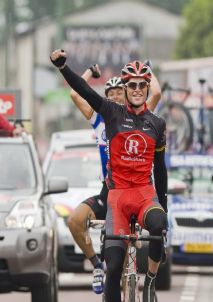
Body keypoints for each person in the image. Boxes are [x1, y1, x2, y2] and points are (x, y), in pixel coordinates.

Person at [50, 49, 168, 302]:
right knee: (113, 267)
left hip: (145, 194)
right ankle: (100, 269)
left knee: (159, 224)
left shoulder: (157, 123)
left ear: (147, 88)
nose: (137, 89)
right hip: (117, 197)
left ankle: (149, 283)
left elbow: (160, 169)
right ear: (125, 89)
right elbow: (83, 90)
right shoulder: (111, 113)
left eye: (142, 85)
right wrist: (63, 68)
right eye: (132, 85)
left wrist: (164, 207)